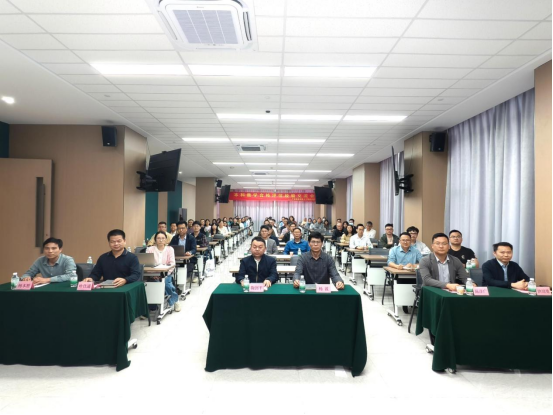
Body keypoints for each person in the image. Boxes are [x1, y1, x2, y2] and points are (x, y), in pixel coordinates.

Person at [146, 232, 180, 312]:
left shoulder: (170, 249)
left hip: (166, 274)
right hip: (153, 274)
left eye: (163, 238)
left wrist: (166, 274)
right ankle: (152, 307)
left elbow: (172, 264)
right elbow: (147, 263)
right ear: (155, 240)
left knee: (167, 285)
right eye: (158, 238)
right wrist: (153, 273)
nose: (161, 240)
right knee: (154, 285)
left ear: (166, 240)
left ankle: (175, 301)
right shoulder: (150, 249)